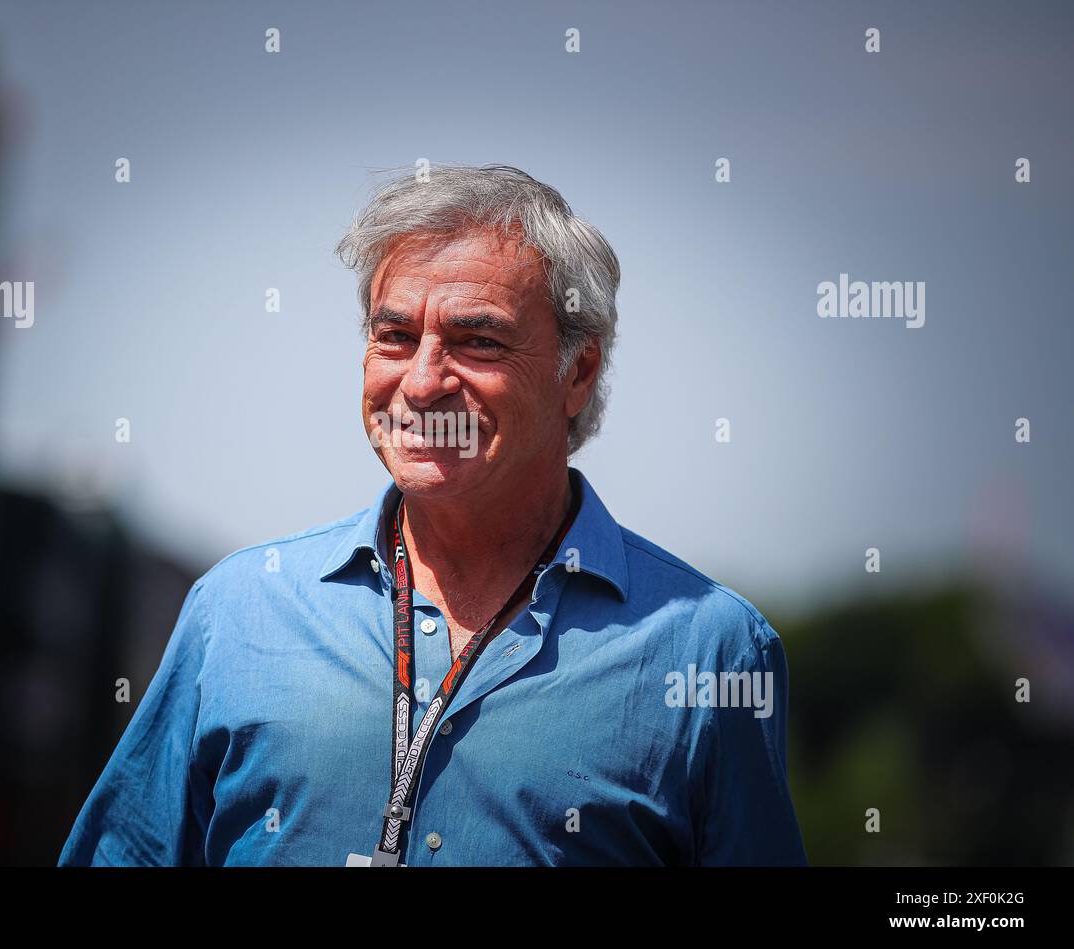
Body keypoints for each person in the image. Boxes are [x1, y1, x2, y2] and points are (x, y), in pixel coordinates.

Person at [59, 164, 808, 866]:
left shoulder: (708, 649)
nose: (421, 383)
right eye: (394, 337)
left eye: (476, 340)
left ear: (577, 371)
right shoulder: (238, 611)